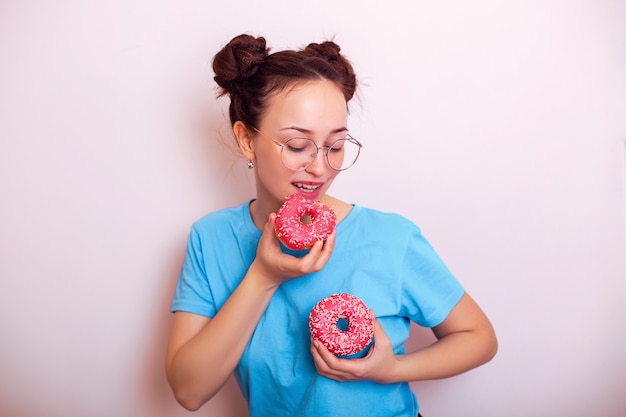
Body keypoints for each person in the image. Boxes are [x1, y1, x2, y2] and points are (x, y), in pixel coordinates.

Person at [165, 33, 498, 417]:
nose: (321, 168)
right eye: (296, 145)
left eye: (335, 145)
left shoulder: (390, 237)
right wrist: (263, 276)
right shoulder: (212, 238)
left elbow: (480, 338)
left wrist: (392, 369)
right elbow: (188, 391)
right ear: (246, 139)